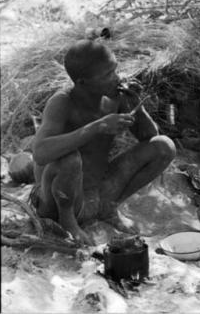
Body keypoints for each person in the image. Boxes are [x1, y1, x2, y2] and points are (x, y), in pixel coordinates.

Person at [31, 40, 176, 245]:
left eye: (115, 70)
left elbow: (149, 138)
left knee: (164, 146)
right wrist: (95, 127)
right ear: (83, 82)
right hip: (57, 201)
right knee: (70, 158)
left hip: (97, 193)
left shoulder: (116, 97)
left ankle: (109, 207)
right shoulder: (62, 102)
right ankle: (68, 224)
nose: (116, 77)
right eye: (107, 75)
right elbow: (40, 152)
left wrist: (136, 105)